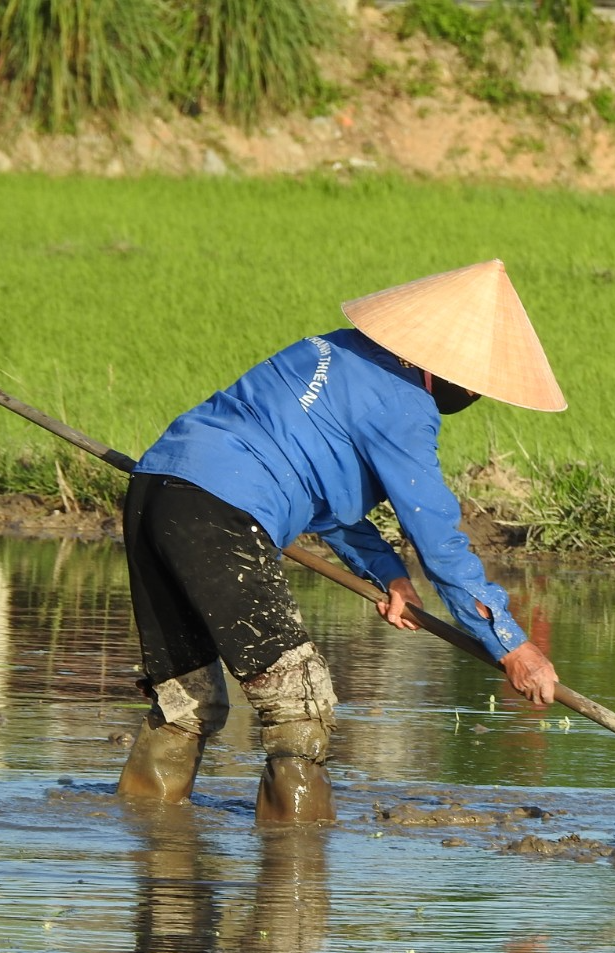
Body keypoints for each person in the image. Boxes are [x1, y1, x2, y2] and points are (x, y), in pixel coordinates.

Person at [116, 259, 565, 823]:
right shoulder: (405, 407)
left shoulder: (328, 349)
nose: (474, 393)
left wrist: (389, 576)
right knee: (299, 705)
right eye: (474, 383)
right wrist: (509, 644)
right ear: (447, 367)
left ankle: (148, 849)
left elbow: (327, 503)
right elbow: (439, 538)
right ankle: (296, 871)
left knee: (188, 699)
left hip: (157, 488)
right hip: (224, 510)